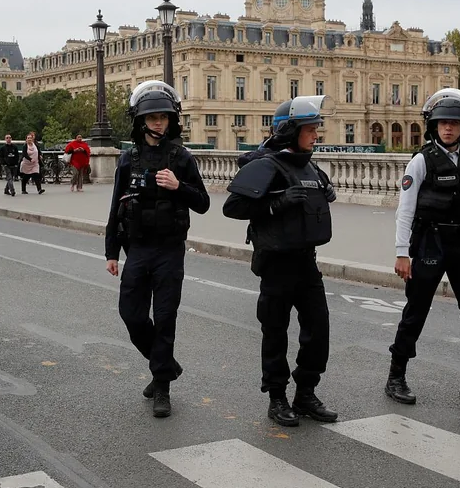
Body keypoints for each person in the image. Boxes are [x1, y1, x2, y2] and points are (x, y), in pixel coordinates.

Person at [223, 96, 339, 427]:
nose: (316, 134)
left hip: (306, 262)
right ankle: (277, 398)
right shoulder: (266, 165)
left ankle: (305, 394)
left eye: (316, 128)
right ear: (289, 131)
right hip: (276, 264)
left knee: (318, 331)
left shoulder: (311, 166)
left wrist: (325, 190)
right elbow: (233, 208)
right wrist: (276, 204)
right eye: (310, 129)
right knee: (276, 333)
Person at [389, 88, 460, 407]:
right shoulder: (421, 161)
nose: (448, 128)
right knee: (416, 311)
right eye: (442, 123)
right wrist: (402, 252)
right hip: (430, 242)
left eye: (454, 123)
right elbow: (406, 209)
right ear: (434, 126)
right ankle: (396, 376)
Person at [104, 81, 209, 418]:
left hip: (169, 249)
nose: (158, 123)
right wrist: (111, 252)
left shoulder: (181, 157)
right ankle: (165, 366)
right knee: (131, 314)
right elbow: (115, 206)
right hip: (137, 248)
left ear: (171, 120)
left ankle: (161, 387)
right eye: (152, 117)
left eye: (163, 117)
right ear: (141, 121)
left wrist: (179, 187)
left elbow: (203, 203)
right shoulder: (128, 158)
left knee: (164, 318)